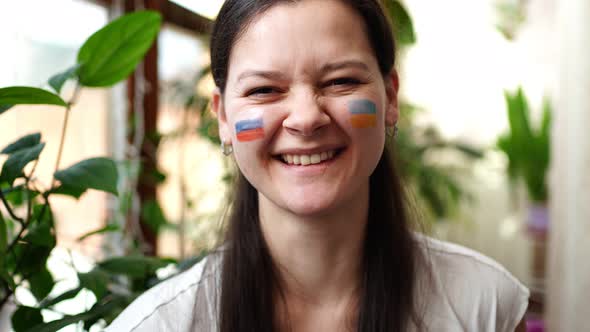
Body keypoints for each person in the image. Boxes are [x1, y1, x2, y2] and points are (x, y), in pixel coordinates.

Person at [107, 0, 529, 331]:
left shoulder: (484, 305)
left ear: (391, 97)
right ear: (222, 118)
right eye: (265, 89)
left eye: (341, 81)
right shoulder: (159, 324)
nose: (306, 118)